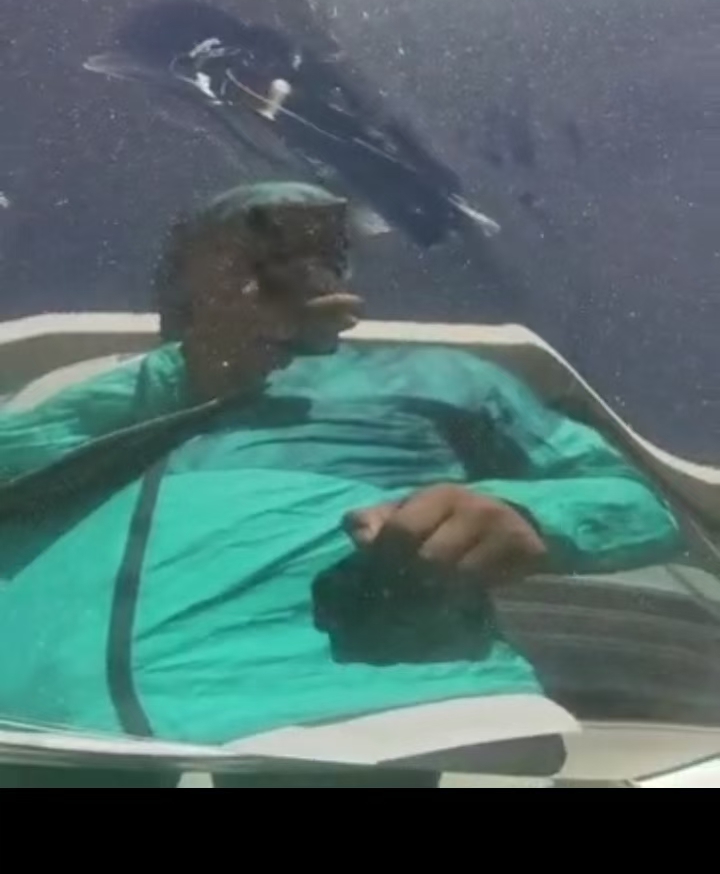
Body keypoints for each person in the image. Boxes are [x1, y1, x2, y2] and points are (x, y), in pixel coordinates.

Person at [0, 181, 682, 788]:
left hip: (357, 715)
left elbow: (637, 501)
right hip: (42, 724)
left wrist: (521, 514)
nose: (291, 271)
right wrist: (189, 372)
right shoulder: (85, 386)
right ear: (184, 284)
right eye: (256, 256)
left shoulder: (440, 377)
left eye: (319, 251)